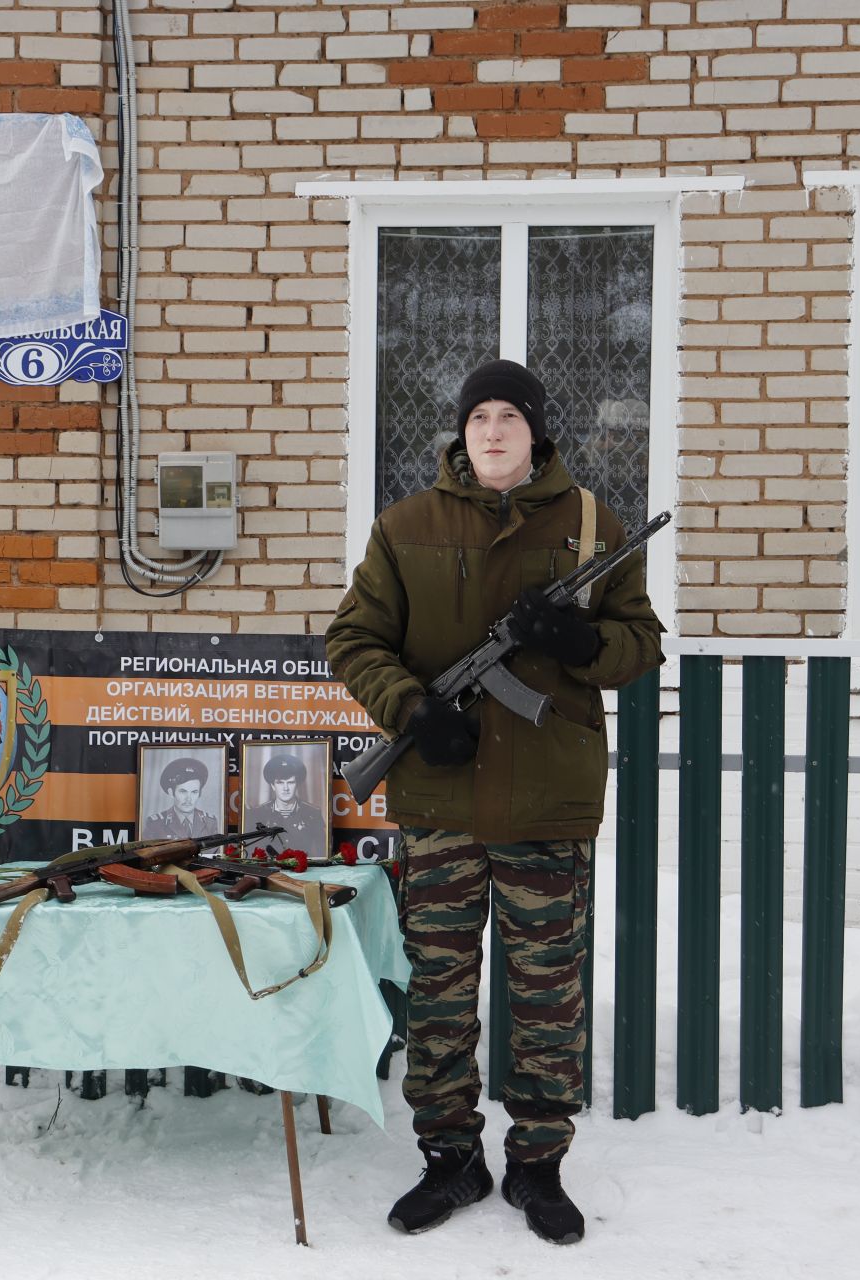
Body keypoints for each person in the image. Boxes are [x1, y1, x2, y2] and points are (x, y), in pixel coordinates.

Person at [326, 358, 664, 1245]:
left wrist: (584, 640)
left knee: (546, 994)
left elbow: (641, 648)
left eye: (510, 415)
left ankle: (539, 1167)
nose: (493, 432)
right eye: (479, 417)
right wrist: (411, 710)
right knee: (440, 988)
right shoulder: (404, 526)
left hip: (548, 799)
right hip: (440, 798)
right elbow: (353, 638)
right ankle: (449, 1159)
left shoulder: (594, 526)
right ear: (461, 433)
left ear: (537, 430)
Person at [250, 752, 325, 854]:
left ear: (297, 785)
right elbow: (251, 851)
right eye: (280, 783)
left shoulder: (312, 813)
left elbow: (321, 851)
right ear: (272, 786)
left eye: (290, 782)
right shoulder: (258, 813)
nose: (285, 788)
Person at [142, 755, 219, 840]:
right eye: (183, 791)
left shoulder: (210, 822)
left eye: (194, 792)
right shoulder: (155, 824)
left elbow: (214, 852)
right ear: (171, 793)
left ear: (199, 794)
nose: (188, 799)